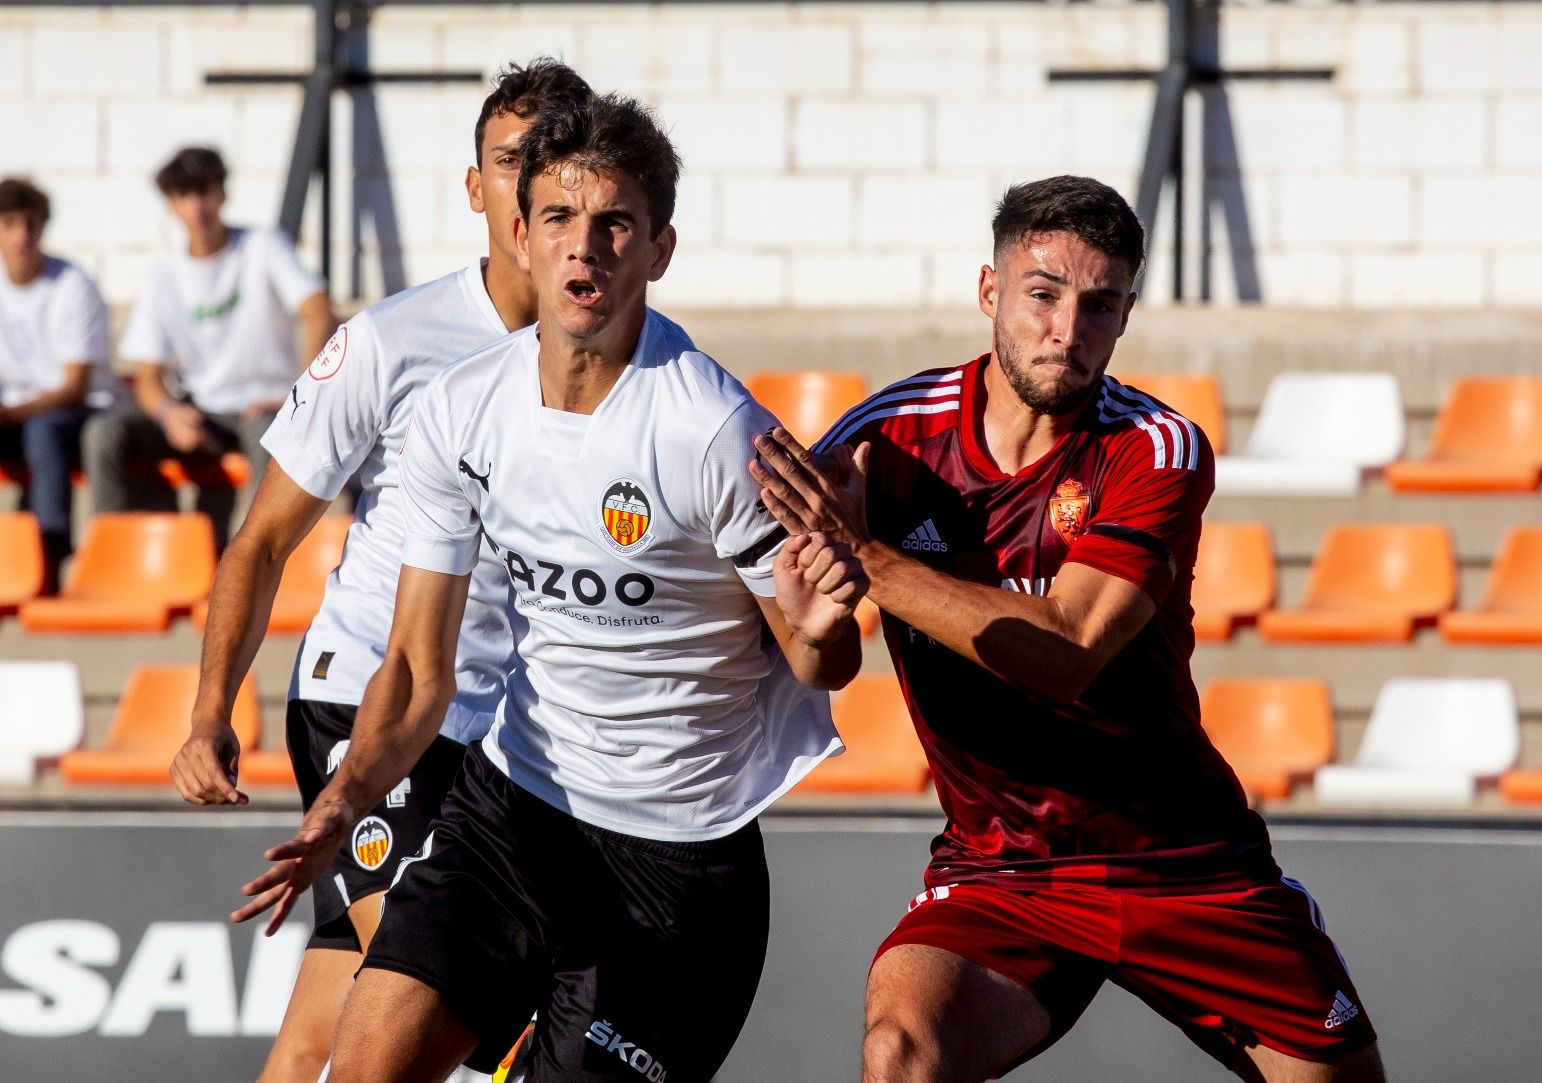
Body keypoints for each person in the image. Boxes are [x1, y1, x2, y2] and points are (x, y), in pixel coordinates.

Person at [233, 92, 864, 1083]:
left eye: (615, 223)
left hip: (673, 863)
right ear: (517, 233)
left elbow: (819, 658)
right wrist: (347, 793)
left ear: (657, 249)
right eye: (561, 221)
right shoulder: (463, 408)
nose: (586, 250)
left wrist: (828, 617)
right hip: (511, 812)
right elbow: (413, 667)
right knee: (355, 1069)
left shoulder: (711, 430)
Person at [749, 175, 1386, 1083]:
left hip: (1183, 863)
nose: (1067, 329)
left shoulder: (1154, 448)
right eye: (1042, 294)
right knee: (900, 1052)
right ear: (989, 292)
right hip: (1001, 870)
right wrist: (813, 623)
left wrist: (869, 560)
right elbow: (824, 657)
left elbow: (1067, 650)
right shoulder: (885, 439)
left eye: (1099, 304)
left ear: (1125, 316)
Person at [168, 61, 595, 1083]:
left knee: (329, 1028)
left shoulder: (609, 356)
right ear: (475, 186)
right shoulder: (393, 342)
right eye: (506, 164)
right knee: (459, 1009)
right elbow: (262, 539)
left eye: (550, 168)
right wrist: (207, 710)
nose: (527, 190)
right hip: (371, 701)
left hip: (501, 730)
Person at [84, 146, 335, 549]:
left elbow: (318, 309)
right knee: (104, 433)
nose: (196, 206)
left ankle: (261, 562)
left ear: (222, 194)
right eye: (184, 195)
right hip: (203, 412)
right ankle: (117, 557)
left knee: (271, 435)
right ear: (171, 205)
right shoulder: (166, 272)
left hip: (266, 408)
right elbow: (147, 375)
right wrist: (170, 414)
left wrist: (301, 393)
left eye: (204, 192)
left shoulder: (263, 245)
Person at [0, 177, 122, 592]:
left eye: (30, 224)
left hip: (81, 413)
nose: (22, 235)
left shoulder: (72, 284)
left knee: (44, 431)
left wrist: (10, 413)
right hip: (17, 416)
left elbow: (74, 386)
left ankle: (50, 557)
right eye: (10, 222)